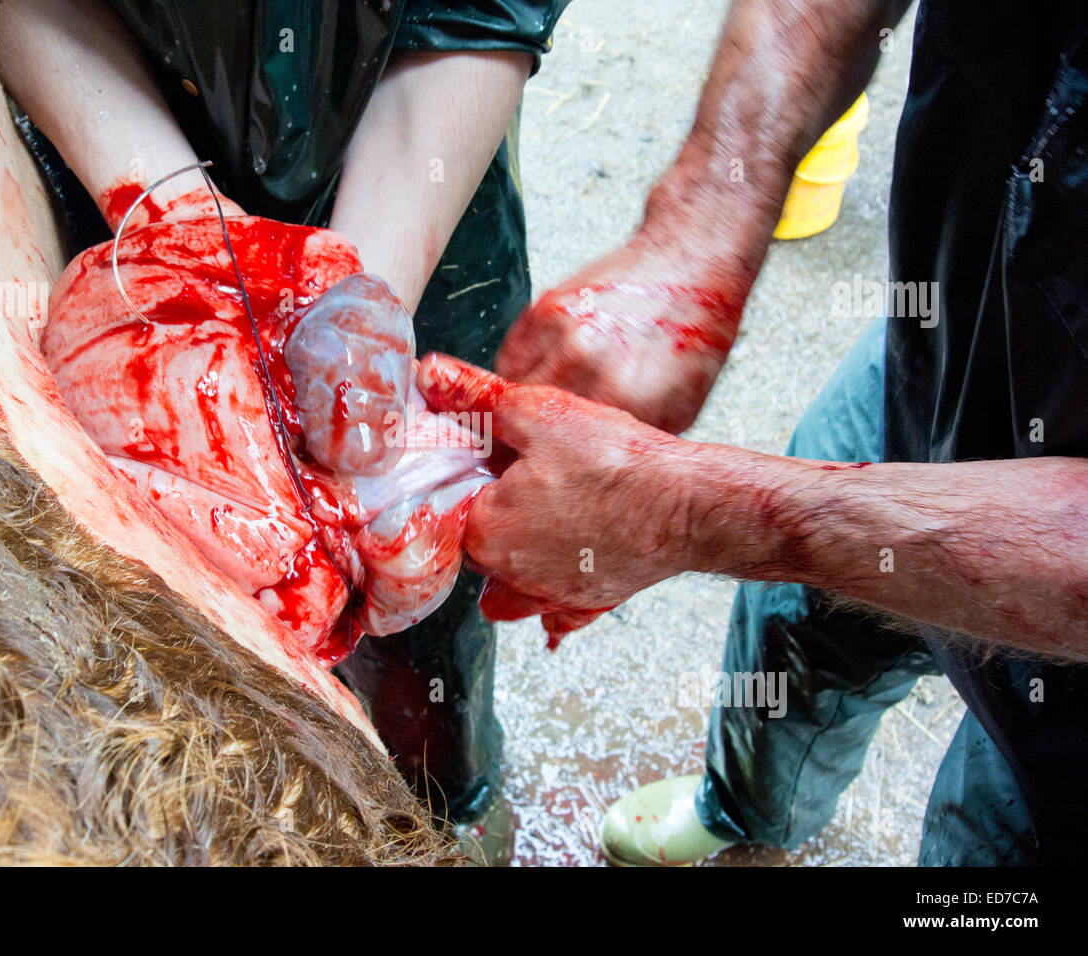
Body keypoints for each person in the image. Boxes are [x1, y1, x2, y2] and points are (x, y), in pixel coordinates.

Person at [419, 0, 1088, 865]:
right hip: (952, 338)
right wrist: (698, 226)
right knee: (795, 623)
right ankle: (745, 819)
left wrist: (685, 513)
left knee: (988, 838)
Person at [0, 0, 569, 861]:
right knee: (166, 630)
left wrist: (357, 302)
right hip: (117, 171)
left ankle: (448, 806)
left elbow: (481, 12)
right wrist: (176, 222)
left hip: (426, 186)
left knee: (428, 643)